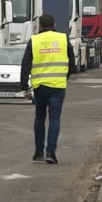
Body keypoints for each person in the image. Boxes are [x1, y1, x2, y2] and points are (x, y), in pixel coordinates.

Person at [20, 13, 75, 164]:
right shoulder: (63, 38)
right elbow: (72, 63)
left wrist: (24, 86)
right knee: (54, 118)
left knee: (40, 118)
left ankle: (38, 152)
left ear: (40, 25)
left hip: (40, 86)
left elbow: (25, 64)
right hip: (57, 86)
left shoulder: (35, 40)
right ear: (54, 24)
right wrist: (64, 77)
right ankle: (51, 152)